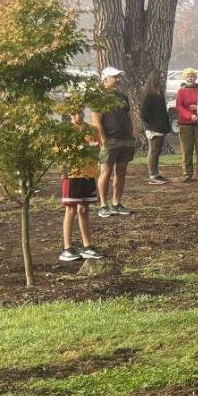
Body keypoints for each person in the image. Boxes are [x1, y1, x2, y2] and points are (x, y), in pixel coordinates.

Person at [59, 111, 103, 262]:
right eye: (74, 113)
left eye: (80, 112)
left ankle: (87, 246)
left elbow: (99, 146)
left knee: (84, 209)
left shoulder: (92, 129)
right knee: (70, 209)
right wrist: (79, 148)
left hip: (88, 173)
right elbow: (59, 151)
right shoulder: (64, 131)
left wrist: (94, 147)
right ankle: (67, 248)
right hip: (72, 174)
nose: (78, 116)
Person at [93, 67, 136, 217]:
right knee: (106, 173)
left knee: (121, 172)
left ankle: (116, 203)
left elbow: (128, 117)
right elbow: (97, 121)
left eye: (118, 77)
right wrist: (103, 140)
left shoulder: (123, 97)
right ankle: (103, 205)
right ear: (105, 79)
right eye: (115, 77)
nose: (118, 80)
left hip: (125, 140)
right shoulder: (99, 98)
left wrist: (131, 135)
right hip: (110, 140)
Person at [174, 70, 198, 183]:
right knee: (187, 150)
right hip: (185, 124)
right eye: (188, 77)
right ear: (185, 79)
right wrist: (190, 115)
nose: (190, 78)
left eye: (192, 76)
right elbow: (179, 106)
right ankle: (187, 173)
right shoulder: (181, 91)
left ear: (195, 77)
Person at [140, 83, 171, 185]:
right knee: (153, 151)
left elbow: (163, 112)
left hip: (161, 128)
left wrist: (165, 126)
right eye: (159, 79)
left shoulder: (160, 94)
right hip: (153, 128)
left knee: (157, 151)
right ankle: (152, 174)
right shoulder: (148, 95)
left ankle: (156, 173)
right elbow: (143, 114)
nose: (161, 81)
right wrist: (152, 125)